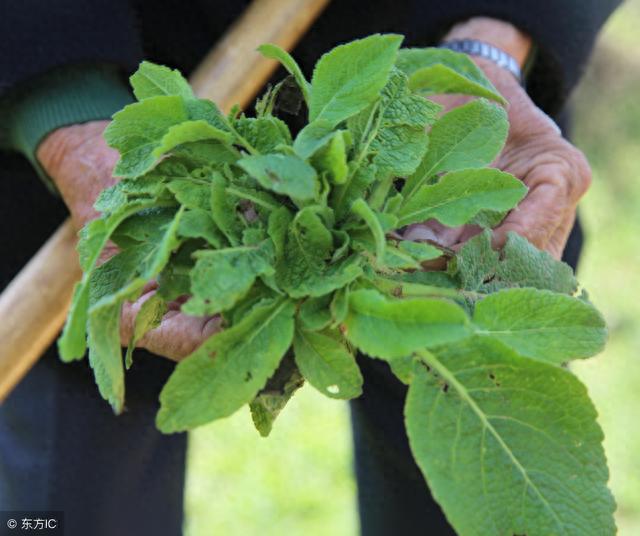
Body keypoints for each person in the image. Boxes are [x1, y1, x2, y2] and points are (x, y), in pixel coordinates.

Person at [0, 1, 622, 534]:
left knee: (484, 480)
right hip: (117, 133)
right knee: (66, 503)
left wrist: (494, 43)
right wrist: (63, 108)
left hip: (428, 136)